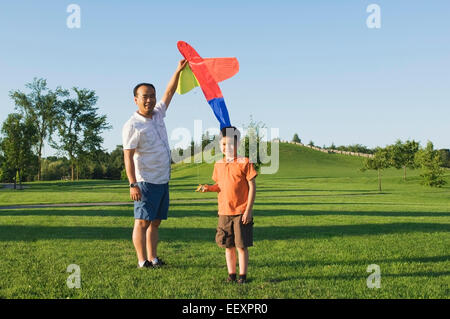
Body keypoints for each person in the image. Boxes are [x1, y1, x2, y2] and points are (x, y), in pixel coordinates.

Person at [122, 59, 188, 268]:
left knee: (155, 222)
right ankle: (142, 261)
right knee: (142, 222)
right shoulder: (132, 125)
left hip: (162, 179)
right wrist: (133, 184)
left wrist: (178, 71)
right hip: (145, 181)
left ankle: (153, 258)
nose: (149, 100)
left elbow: (170, 92)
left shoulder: (158, 113)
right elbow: (128, 156)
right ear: (136, 100)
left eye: (152, 96)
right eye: (145, 97)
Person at [198, 126, 257, 283]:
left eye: (231, 144)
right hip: (224, 212)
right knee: (228, 246)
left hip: (241, 212)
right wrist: (208, 188)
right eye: (224, 144)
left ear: (238, 144)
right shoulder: (218, 164)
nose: (227, 147)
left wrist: (248, 210)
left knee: (241, 246)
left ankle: (243, 277)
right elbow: (219, 186)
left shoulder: (245, 162)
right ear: (220, 145)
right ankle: (231, 275)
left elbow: (252, 186)